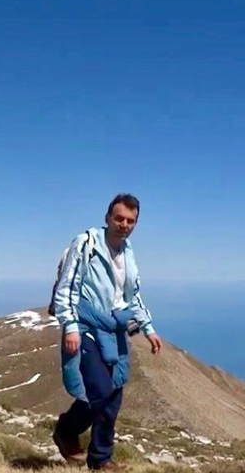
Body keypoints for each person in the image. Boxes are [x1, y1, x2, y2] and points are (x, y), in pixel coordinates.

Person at [51, 193, 163, 471]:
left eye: (131, 221)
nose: (124, 224)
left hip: (114, 329)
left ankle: (101, 460)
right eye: (119, 218)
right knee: (100, 390)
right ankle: (67, 431)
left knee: (113, 394)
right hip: (87, 325)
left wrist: (148, 328)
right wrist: (71, 327)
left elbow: (132, 296)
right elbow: (67, 287)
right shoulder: (86, 243)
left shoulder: (128, 253)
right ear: (108, 218)